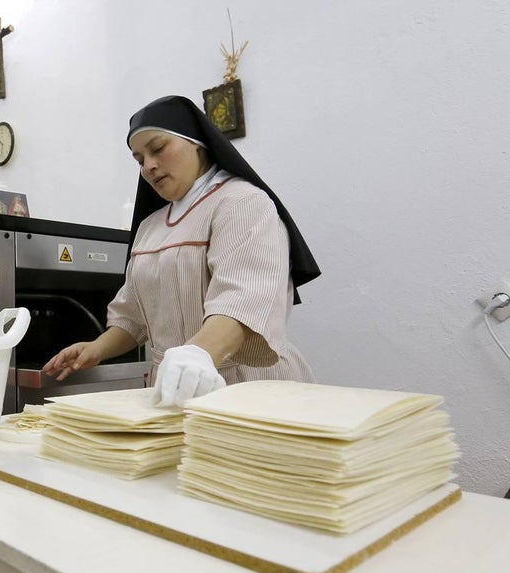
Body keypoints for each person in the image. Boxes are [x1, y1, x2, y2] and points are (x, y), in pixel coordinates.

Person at [44, 95, 320, 407]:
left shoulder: (242, 204)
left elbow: (243, 301)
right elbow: (133, 315)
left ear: (198, 142)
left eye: (158, 148)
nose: (149, 165)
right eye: (139, 159)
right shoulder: (150, 227)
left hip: (248, 386)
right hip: (175, 388)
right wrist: (96, 348)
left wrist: (197, 353)